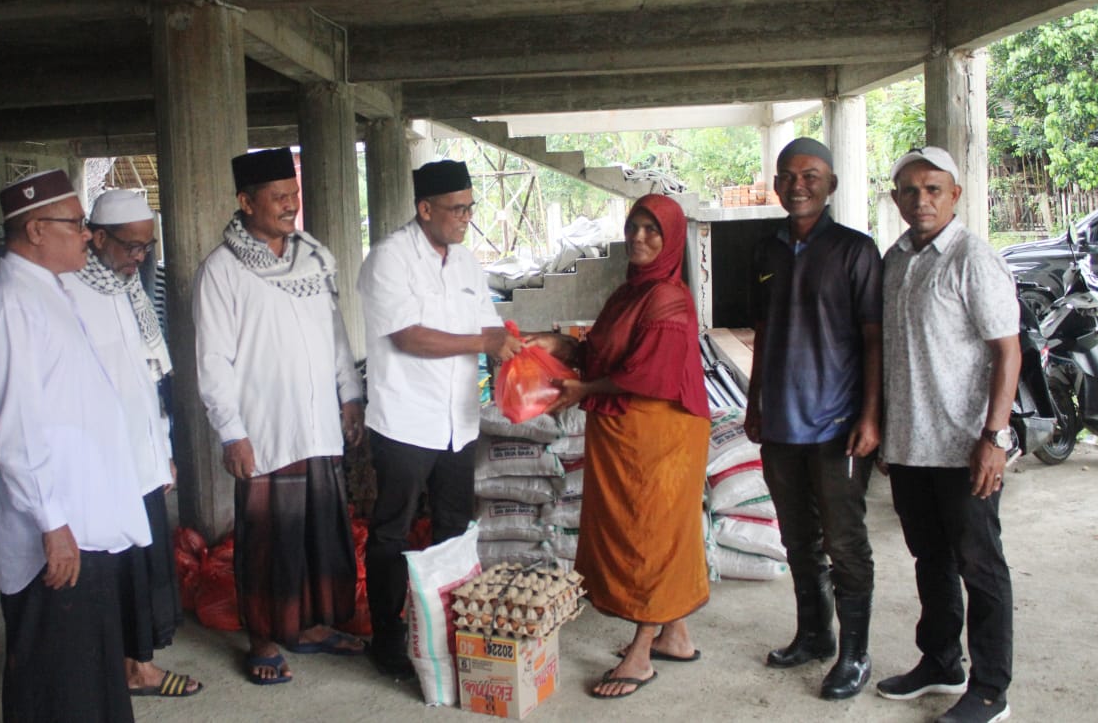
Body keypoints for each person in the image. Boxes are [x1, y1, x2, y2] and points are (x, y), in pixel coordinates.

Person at [0, 169, 150, 723]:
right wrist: (53, 524)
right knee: (55, 680)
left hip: (80, 519)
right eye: (76, 225)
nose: (88, 236)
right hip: (56, 530)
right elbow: (15, 431)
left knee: (85, 674)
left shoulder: (47, 290)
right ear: (37, 230)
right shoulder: (7, 304)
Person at [194, 148, 366, 687]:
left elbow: (335, 335)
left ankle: (311, 627)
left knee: (320, 531)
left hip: (317, 425)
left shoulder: (313, 259)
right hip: (265, 431)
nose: (291, 205)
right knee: (269, 542)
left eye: (293, 195)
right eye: (279, 197)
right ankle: (264, 639)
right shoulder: (221, 271)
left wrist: (350, 393)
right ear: (246, 203)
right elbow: (212, 361)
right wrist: (232, 433)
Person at [528, 194, 710, 699]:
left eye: (653, 230)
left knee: (648, 536)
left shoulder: (669, 299)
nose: (640, 238)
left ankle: (641, 652)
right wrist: (556, 343)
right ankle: (674, 634)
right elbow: (601, 353)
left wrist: (583, 392)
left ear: (671, 237)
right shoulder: (630, 293)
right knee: (645, 529)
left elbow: (648, 375)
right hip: (628, 432)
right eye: (634, 227)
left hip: (660, 433)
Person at [357, 159, 523, 679]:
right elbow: (408, 336)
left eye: (470, 208)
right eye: (456, 209)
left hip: (458, 421)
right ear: (424, 209)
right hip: (405, 421)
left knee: (454, 527)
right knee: (392, 530)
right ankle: (386, 637)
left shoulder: (468, 263)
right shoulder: (388, 259)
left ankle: (448, 627)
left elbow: (494, 329)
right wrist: (484, 342)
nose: (465, 218)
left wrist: (527, 359)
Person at [878, 146, 1019, 723]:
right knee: (929, 558)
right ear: (896, 199)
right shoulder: (896, 259)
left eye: (934, 189)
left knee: (980, 565)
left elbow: (1006, 353)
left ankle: (990, 688)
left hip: (964, 444)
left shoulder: (972, 258)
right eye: (910, 190)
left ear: (955, 195)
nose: (922, 200)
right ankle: (940, 661)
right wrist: (889, 431)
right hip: (911, 442)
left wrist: (996, 436)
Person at [744, 137, 883, 700]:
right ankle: (814, 635)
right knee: (798, 538)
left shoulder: (855, 250)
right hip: (779, 424)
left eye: (811, 174)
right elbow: (761, 335)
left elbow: (874, 339)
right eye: (788, 175)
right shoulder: (765, 251)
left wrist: (870, 417)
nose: (797, 184)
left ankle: (855, 654)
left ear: (830, 185)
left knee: (845, 543)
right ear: (775, 184)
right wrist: (754, 403)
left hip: (837, 427)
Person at [63, 189, 201, 699]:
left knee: (142, 569)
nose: (139, 258)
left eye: (146, 248)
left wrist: (163, 449)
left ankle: (134, 665)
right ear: (97, 238)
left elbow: (147, 379)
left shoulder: (128, 290)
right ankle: (117, 669)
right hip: (101, 466)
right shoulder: (68, 292)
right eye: (130, 247)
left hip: (141, 457)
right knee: (108, 571)